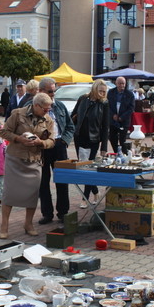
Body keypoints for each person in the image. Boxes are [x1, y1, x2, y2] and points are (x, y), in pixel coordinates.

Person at [0, 93, 55, 239]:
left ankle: (28, 224)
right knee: (9, 194)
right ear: (36, 105)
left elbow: (52, 140)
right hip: (15, 159)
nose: (47, 112)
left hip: (34, 160)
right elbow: (4, 132)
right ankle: (4, 226)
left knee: (32, 195)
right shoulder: (18, 114)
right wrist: (19, 139)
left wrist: (41, 143)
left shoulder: (48, 120)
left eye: (49, 109)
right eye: (45, 109)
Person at [31, 78, 75, 225]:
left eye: (54, 91)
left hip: (58, 145)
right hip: (41, 147)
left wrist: (64, 141)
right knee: (43, 181)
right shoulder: (32, 107)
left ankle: (63, 212)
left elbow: (70, 126)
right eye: (50, 91)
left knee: (62, 179)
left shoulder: (60, 106)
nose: (53, 94)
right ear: (41, 91)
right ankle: (47, 214)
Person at [72, 79, 109, 207]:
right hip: (80, 137)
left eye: (104, 92)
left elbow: (105, 127)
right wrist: (74, 122)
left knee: (89, 169)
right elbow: (73, 115)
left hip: (94, 139)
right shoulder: (83, 99)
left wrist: (104, 146)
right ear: (94, 89)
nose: (103, 94)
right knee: (83, 167)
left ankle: (85, 197)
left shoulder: (104, 104)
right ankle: (95, 191)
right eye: (100, 91)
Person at [107, 76, 135, 154]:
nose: (121, 85)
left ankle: (125, 154)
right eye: (119, 83)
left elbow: (131, 108)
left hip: (124, 120)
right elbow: (107, 105)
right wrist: (113, 115)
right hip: (113, 120)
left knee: (123, 140)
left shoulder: (129, 94)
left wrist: (121, 117)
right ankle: (117, 152)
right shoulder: (111, 92)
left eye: (123, 83)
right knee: (112, 137)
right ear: (116, 83)